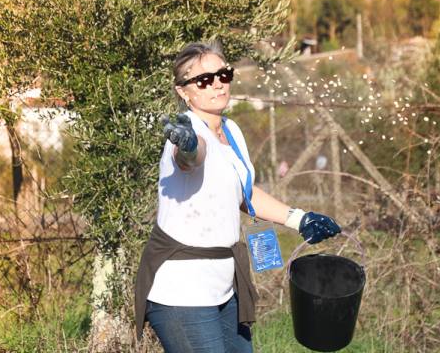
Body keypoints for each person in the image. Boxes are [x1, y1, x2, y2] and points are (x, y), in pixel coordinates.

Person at [135, 41, 341, 352]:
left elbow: (243, 194)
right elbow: (191, 157)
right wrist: (189, 146)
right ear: (183, 92)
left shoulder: (232, 131)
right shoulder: (186, 132)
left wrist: (300, 219)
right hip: (182, 292)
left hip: (223, 286)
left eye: (223, 74)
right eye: (204, 80)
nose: (217, 83)